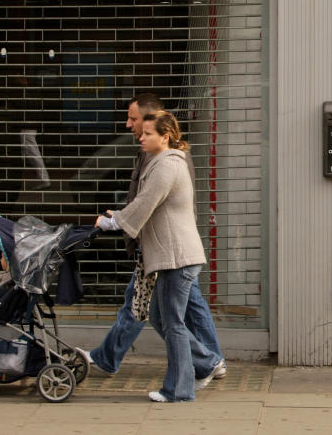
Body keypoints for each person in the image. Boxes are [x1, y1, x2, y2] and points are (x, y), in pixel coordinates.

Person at [78, 94, 224, 381]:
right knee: (174, 310)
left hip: (169, 250)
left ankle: (204, 365)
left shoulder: (166, 159)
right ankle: (208, 361)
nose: (129, 126)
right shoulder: (156, 152)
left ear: (156, 127)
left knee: (145, 306)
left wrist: (114, 222)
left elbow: (150, 203)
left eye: (135, 120)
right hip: (166, 248)